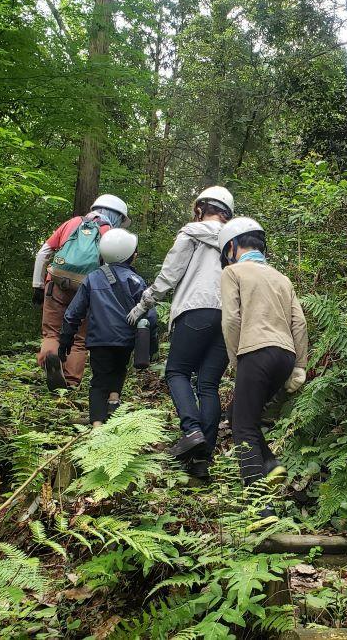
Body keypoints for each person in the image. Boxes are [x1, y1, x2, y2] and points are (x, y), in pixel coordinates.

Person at [125, 186, 234, 480]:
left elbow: (169, 275)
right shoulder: (237, 241)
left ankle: (192, 430)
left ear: (201, 208)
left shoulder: (191, 232)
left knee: (176, 372)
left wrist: (143, 303)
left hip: (196, 309)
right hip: (230, 317)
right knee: (209, 384)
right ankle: (202, 461)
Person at [218, 217, 308, 527]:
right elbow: (300, 323)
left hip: (255, 352)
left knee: (242, 427)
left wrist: (235, 360)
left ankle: (260, 509)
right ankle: (269, 463)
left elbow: (230, 320)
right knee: (240, 413)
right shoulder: (282, 279)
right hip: (284, 355)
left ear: (232, 246)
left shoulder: (233, 272)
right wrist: (300, 366)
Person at [59, 229, 157, 426]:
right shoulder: (136, 280)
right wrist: (151, 343)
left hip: (99, 339)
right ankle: (113, 401)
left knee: (99, 380)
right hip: (125, 339)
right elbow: (150, 314)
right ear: (131, 256)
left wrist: (65, 340)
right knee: (119, 369)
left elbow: (74, 312)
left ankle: (96, 425)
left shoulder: (92, 278)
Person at [33, 194, 130, 391]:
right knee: (78, 340)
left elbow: (44, 253)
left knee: (51, 332)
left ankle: (52, 357)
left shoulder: (72, 222)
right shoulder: (109, 233)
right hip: (87, 290)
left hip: (56, 283)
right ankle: (69, 384)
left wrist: (37, 285)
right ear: (117, 215)